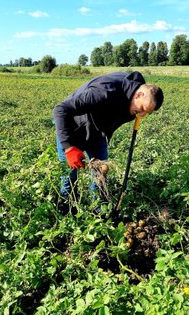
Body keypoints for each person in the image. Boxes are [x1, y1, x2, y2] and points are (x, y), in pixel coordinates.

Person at [53, 71, 164, 214]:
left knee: (100, 175)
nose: (141, 115)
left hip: (97, 133)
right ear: (139, 95)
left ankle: (99, 212)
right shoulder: (104, 91)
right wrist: (69, 148)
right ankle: (66, 211)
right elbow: (60, 110)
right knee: (69, 175)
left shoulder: (133, 105)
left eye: (147, 113)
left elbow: (112, 121)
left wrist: (104, 141)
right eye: (142, 109)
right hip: (72, 129)